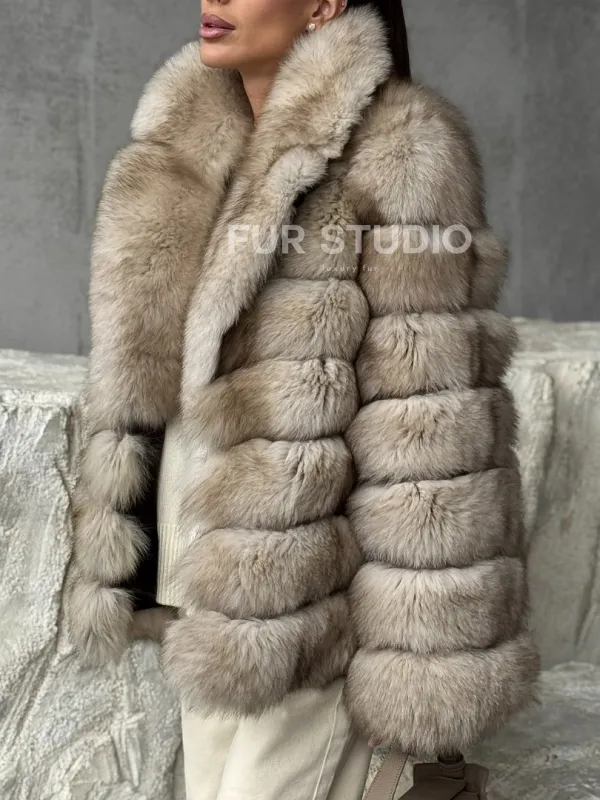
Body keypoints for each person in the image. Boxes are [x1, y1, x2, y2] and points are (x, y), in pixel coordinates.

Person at [66, 1, 540, 798]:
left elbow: (431, 426)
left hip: (318, 613)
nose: (215, 0)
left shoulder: (402, 149)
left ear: (323, 5)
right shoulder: (182, 144)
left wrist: (420, 669)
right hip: (202, 588)